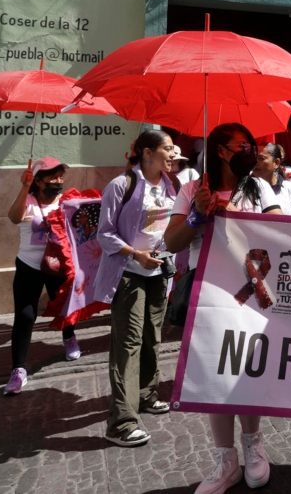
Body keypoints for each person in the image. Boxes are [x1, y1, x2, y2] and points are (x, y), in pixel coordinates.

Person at [165, 124, 285, 491]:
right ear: (220, 150)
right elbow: (172, 241)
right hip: (209, 296)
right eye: (241, 146)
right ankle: (225, 458)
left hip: (251, 292)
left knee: (248, 368)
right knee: (215, 375)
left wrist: (237, 214)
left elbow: (281, 228)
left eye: (252, 145)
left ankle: (254, 445)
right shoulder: (191, 189)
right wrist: (197, 216)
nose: (249, 151)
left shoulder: (258, 187)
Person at [94, 129, 178, 447]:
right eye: (167, 149)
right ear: (146, 153)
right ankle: (121, 423)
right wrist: (135, 255)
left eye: (174, 150)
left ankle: (145, 394)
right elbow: (105, 234)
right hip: (127, 273)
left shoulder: (172, 186)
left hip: (159, 272)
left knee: (151, 338)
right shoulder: (122, 185)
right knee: (127, 344)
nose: (172, 155)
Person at [3, 157, 80, 396]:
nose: (58, 182)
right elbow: (14, 217)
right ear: (38, 180)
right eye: (52, 177)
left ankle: (69, 337)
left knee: (63, 305)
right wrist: (24, 187)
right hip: (29, 265)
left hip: (57, 265)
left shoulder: (65, 201)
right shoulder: (28, 200)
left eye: (60, 177)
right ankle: (18, 370)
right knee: (25, 316)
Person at [254, 142, 291, 216]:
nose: (255, 162)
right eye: (253, 158)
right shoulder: (241, 189)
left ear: (276, 163)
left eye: (261, 158)